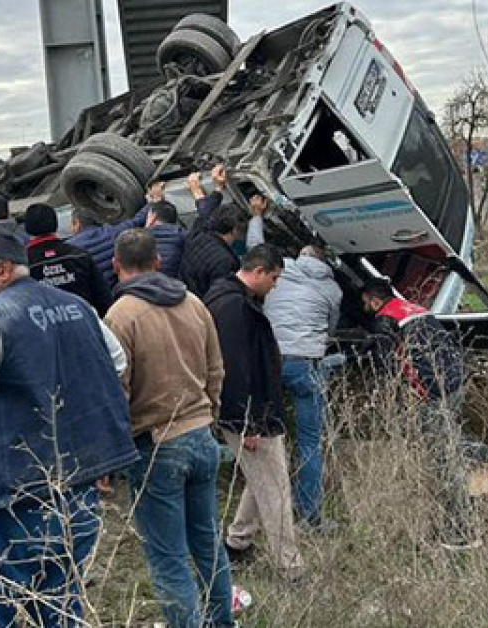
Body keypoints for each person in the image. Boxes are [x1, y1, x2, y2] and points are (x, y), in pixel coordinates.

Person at [0, 229, 138, 627]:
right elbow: (117, 361)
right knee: (58, 604)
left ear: (4, 270)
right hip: (76, 485)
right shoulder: (80, 307)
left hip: (9, 494)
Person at [103, 229, 235, 628]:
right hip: (201, 436)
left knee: (168, 555)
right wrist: (207, 413)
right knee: (208, 544)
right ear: (158, 262)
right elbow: (216, 369)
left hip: (156, 443)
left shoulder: (120, 316)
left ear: (115, 265)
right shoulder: (194, 303)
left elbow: (115, 392)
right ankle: (221, 621)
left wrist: (111, 453)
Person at [203, 244, 304, 574]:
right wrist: (245, 422)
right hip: (248, 413)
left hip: (254, 410)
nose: (275, 286)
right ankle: (289, 567)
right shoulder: (233, 306)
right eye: (274, 279)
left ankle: (238, 540)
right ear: (258, 272)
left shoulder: (230, 298)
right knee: (274, 488)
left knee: (264, 477)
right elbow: (231, 368)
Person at [361, 278, 477, 549]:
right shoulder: (415, 308)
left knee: (442, 461)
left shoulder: (385, 319)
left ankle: (460, 531)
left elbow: (389, 368)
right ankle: (466, 510)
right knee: (452, 448)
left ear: (374, 299)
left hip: (431, 394)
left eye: (365, 302)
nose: (365, 307)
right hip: (455, 384)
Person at [246, 205, 343, 527]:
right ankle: (310, 514)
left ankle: (261, 512)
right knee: (309, 442)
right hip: (306, 365)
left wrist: (256, 215)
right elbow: (330, 332)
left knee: (264, 436)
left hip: (271, 361)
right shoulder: (333, 290)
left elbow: (253, 248)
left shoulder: (281, 269)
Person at [24, 203, 113, 315]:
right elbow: (104, 299)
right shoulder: (79, 255)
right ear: (56, 225)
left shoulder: (23, 265)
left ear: (27, 228)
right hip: (84, 325)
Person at [182, 209, 241, 299]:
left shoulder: (197, 236)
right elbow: (220, 296)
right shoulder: (225, 262)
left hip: (185, 291)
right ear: (234, 230)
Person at [142, 199, 187, 278]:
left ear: (153, 216)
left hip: (145, 285)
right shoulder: (182, 235)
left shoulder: (139, 237)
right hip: (173, 284)